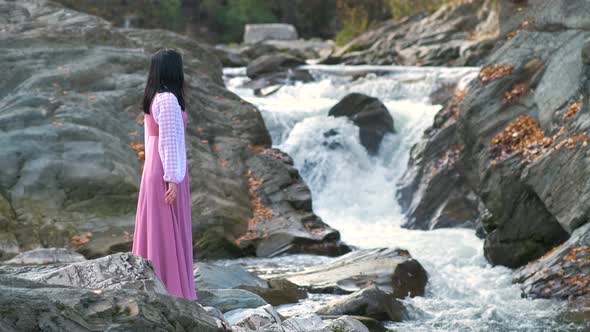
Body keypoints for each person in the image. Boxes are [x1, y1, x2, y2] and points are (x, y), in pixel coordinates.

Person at [132, 49, 197, 301]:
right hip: (166, 170)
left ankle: (155, 286)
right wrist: (172, 177)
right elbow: (169, 141)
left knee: (157, 230)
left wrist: (154, 171)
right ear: (174, 70)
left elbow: (152, 140)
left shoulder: (154, 98)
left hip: (154, 167)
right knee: (167, 230)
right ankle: (173, 289)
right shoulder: (168, 100)